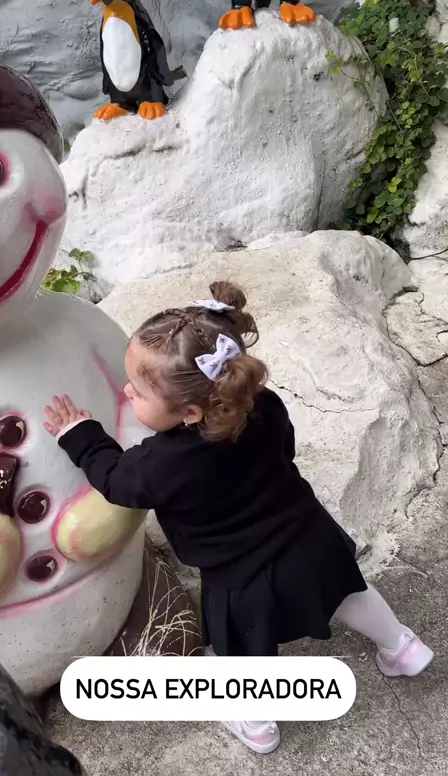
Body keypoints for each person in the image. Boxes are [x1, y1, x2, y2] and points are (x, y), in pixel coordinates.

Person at [44, 281, 433, 755]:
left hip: (242, 575)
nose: (127, 392)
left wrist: (81, 434)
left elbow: (117, 482)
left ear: (190, 412)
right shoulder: (262, 404)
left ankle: (257, 724)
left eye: (139, 393)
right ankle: (401, 646)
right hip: (310, 536)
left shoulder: (160, 464)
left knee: (246, 653)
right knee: (349, 591)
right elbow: (286, 448)